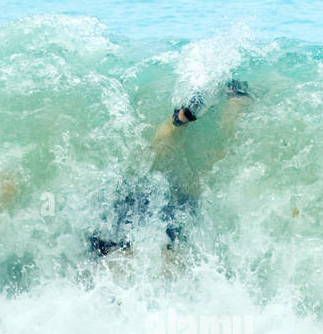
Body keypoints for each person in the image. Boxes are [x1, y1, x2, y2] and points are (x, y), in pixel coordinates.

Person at [92, 79, 250, 257]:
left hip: (131, 247)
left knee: (210, 168)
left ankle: (236, 101)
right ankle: (180, 118)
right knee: (157, 157)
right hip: (122, 228)